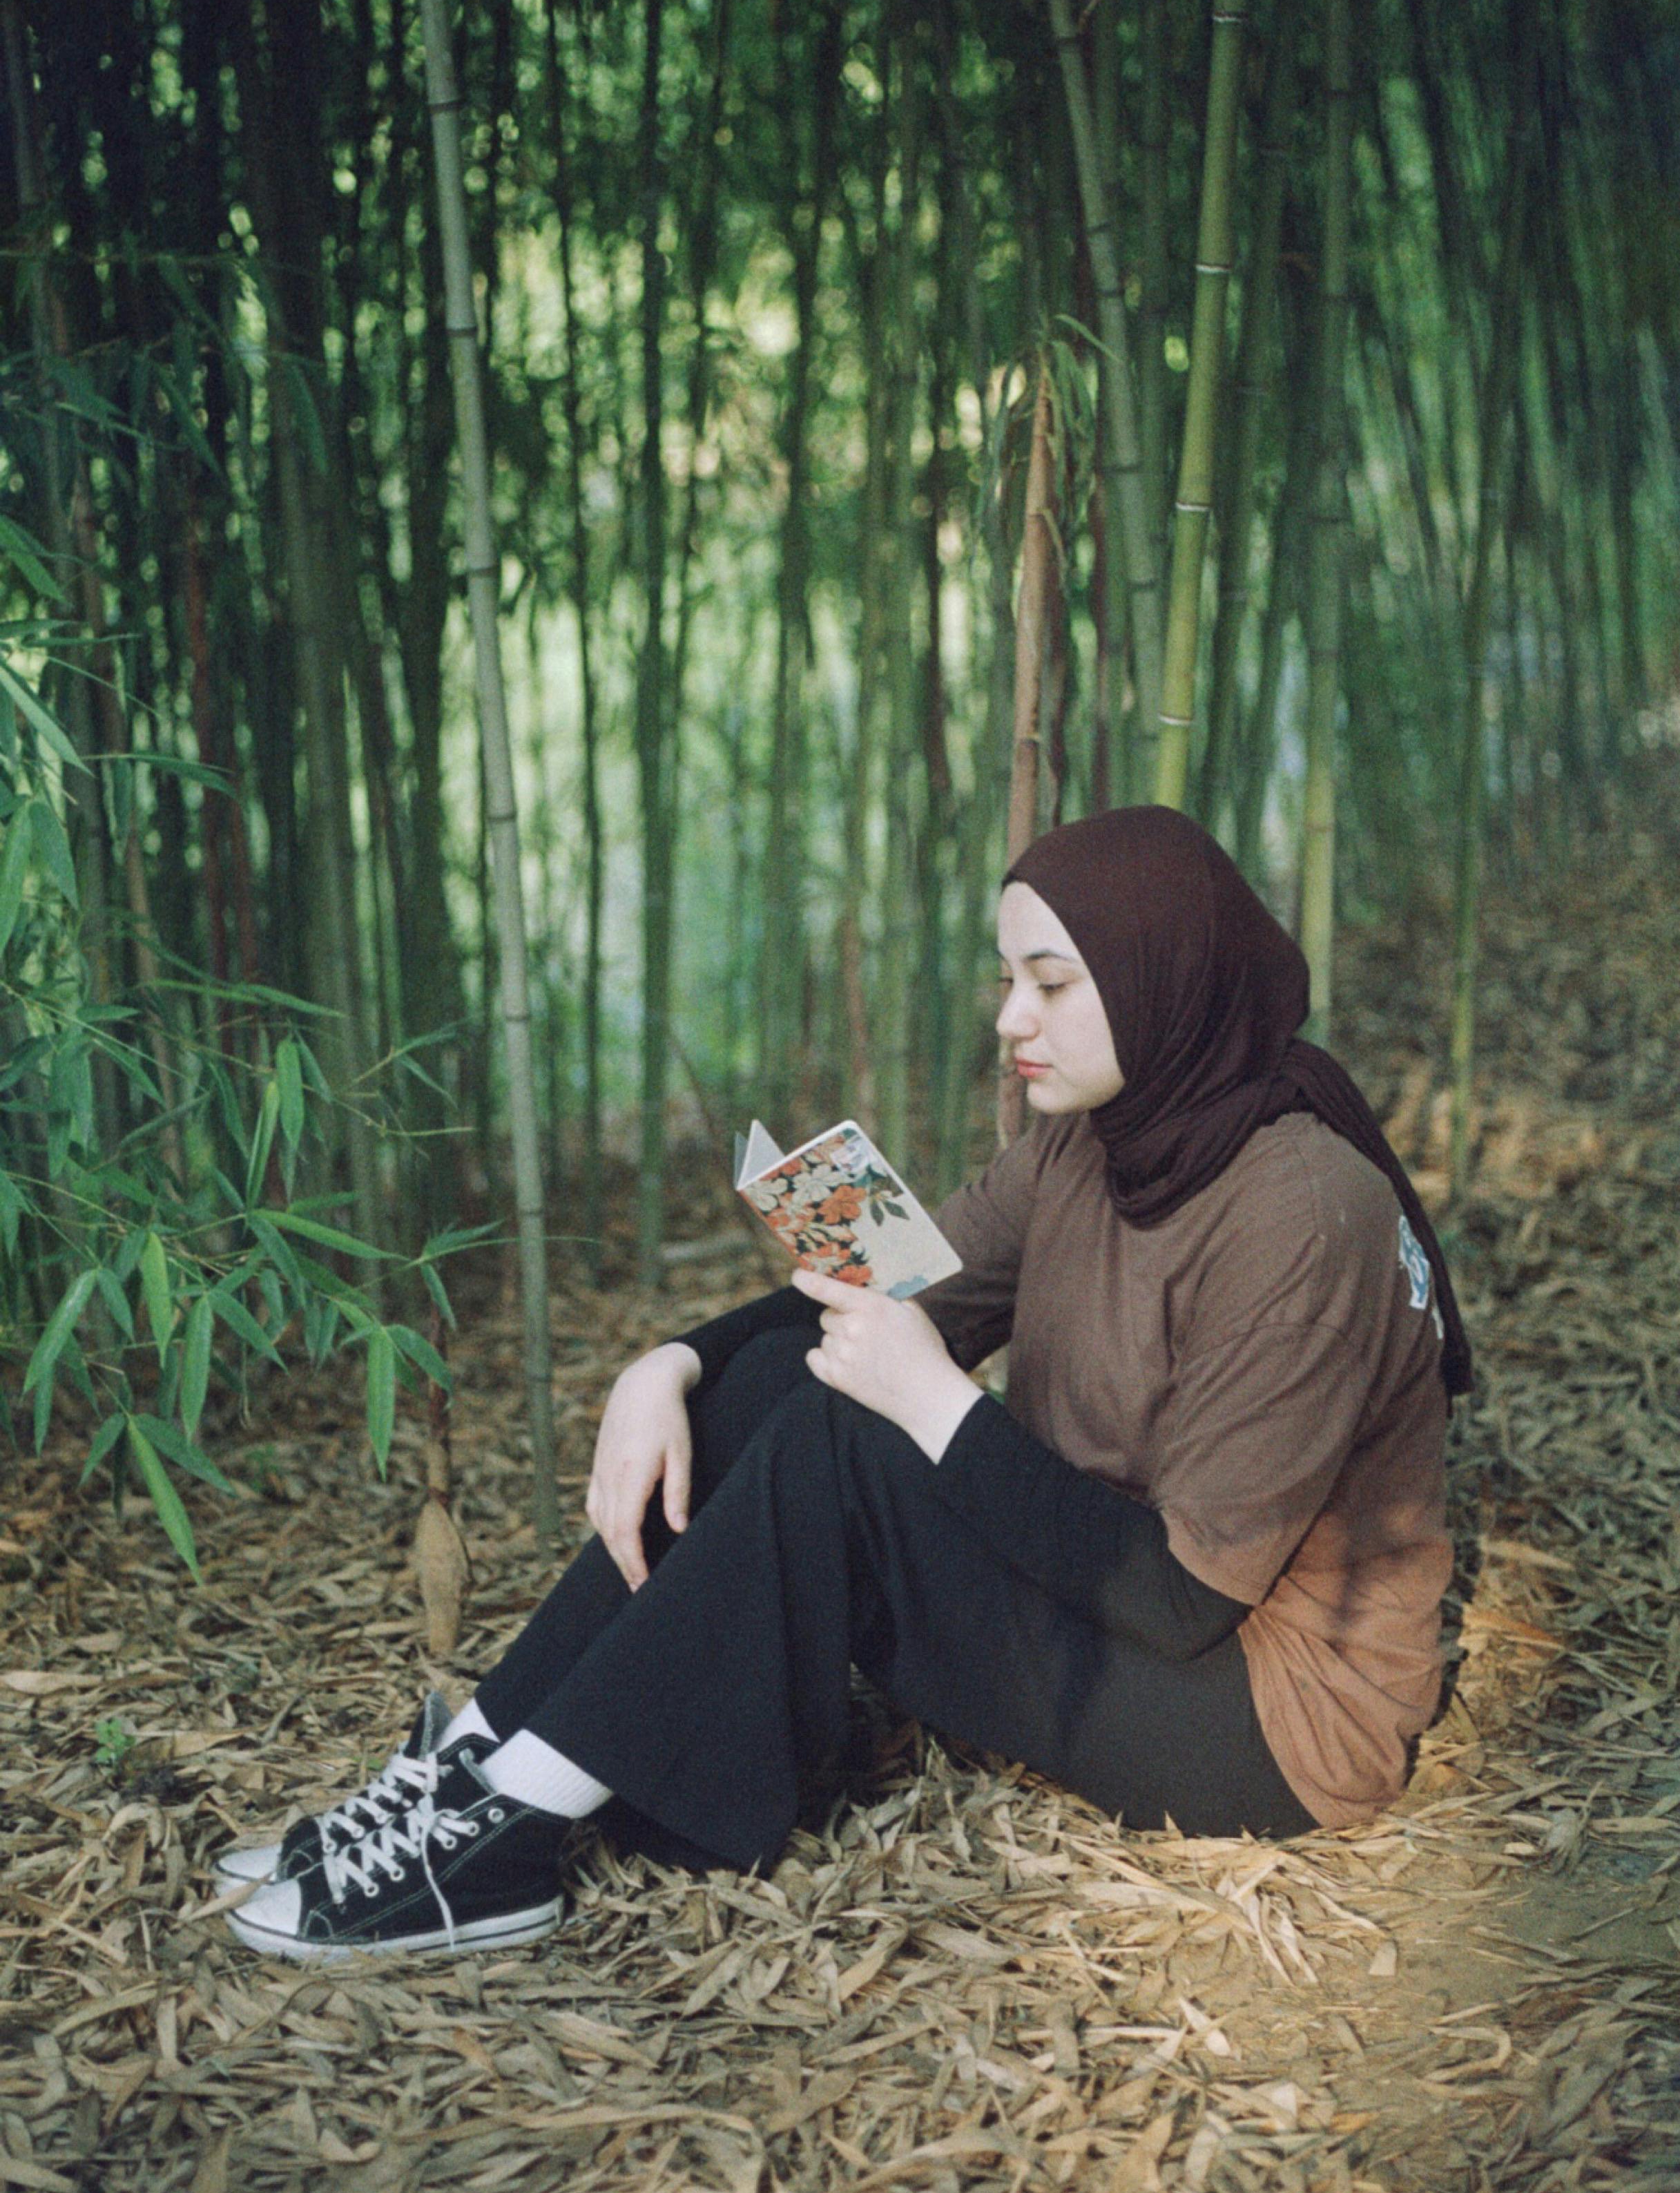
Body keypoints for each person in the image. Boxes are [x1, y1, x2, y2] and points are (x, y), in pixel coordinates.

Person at [218, 807, 1467, 1963]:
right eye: (1005, 980)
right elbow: (888, 1299)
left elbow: (1185, 1596)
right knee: (779, 1371)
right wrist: (674, 1361)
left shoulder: (1300, 1210)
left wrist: (932, 1404)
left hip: (1265, 1711)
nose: (1009, 1021)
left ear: (1164, 980)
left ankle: (510, 1835)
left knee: (848, 1431)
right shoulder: (1091, 1141)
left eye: (1050, 984)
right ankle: (474, 1766)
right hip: (1116, 1609)